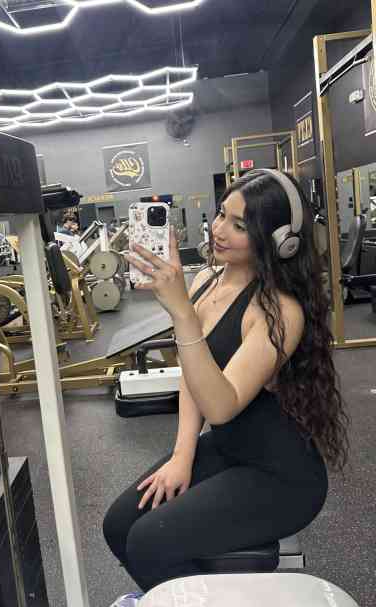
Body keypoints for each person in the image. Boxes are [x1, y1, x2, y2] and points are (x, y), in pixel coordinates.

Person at [103, 169, 349, 604]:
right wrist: (182, 456)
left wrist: (181, 313)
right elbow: (192, 378)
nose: (219, 230)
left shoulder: (278, 311)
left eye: (239, 225)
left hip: (281, 477)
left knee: (148, 543)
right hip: (229, 450)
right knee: (120, 525)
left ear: (279, 240)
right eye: (221, 215)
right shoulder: (207, 281)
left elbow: (220, 405)